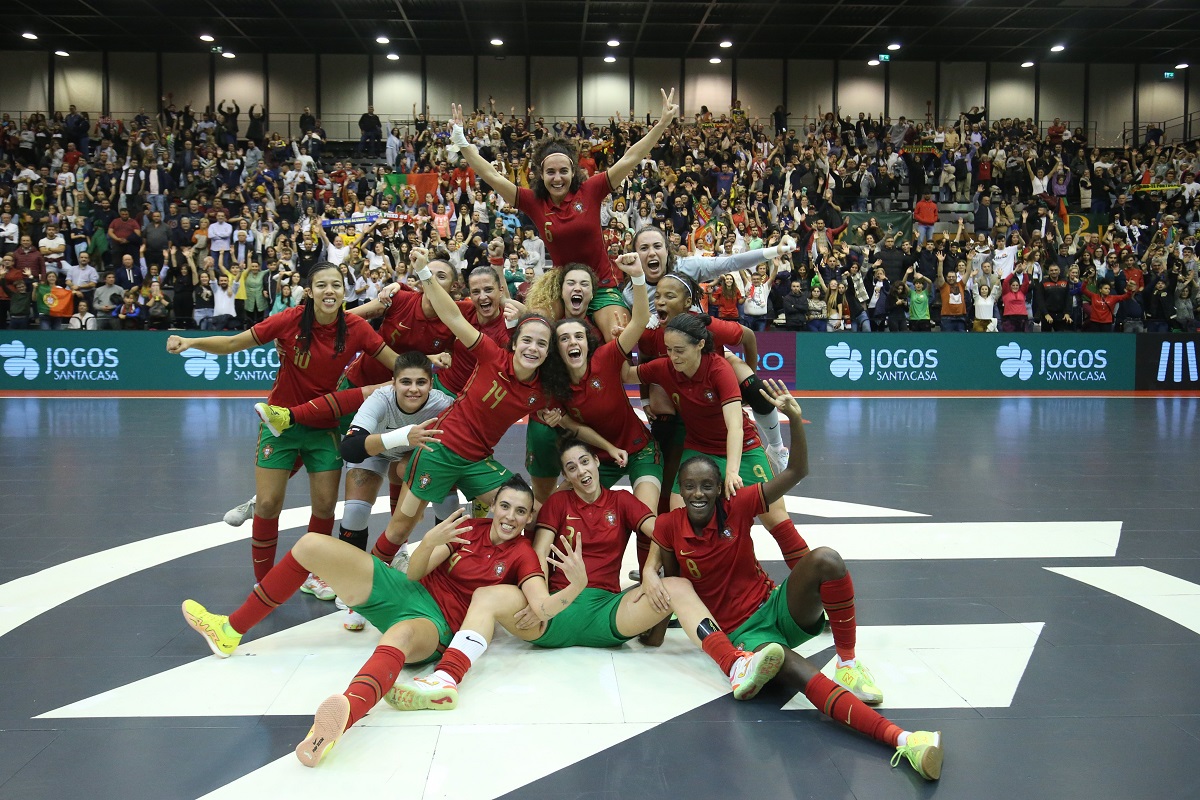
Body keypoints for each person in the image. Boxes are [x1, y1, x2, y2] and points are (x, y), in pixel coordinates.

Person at [643, 380, 944, 781]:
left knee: (826, 560)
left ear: (720, 490)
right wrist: (654, 601)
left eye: (707, 486)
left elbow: (799, 470)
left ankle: (849, 663)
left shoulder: (740, 504)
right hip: (743, 638)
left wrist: (795, 420)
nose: (698, 494)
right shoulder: (667, 526)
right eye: (690, 487)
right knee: (801, 673)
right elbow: (667, 580)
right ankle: (902, 740)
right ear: (679, 491)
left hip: (776, 607)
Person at [181, 478, 586, 768]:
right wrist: (429, 542)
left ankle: (341, 719)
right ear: (492, 506)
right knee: (310, 546)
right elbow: (414, 575)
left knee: (400, 634)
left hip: (438, 624)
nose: (510, 517)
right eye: (504, 506)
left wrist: (578, 584)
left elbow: (542, 606)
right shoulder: (467, 529)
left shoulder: (523, 556)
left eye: (520, 511)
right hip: (407, 591)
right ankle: (229, 631)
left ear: (528, 516)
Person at [366, 254, 609, 568]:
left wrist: (609, 447)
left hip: (478, 461)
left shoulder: (541, 392)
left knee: (528, 510)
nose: (533, 348)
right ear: (515, 342)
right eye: (527, 341)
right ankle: (365, 592)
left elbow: (575, 417)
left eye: (541, 344)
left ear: (548, 352)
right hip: (440, 451)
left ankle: (508, 569)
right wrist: (425, 270)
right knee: (401, 527)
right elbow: (452, 316)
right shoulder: (491, 354)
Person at [167, 263, 401, 588]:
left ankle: (313, 574)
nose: (329, 291)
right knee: (266, 503)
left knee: (324, 506)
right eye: (322, 285)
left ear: (344, 291)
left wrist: (432, 365)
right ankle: (264, 583)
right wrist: (192, 343)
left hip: (324, 425)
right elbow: (234, 343)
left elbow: (396, 364)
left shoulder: (356, 327)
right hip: (280, 422)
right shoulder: (289, 320)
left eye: (336, 285)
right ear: (310, 292)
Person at [447, 89, 679, 343]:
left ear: (573, 171)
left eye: (563, 171)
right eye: (551, 172)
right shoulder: (533, 201)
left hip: (602, 285)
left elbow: (631, 157)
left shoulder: (592, 189)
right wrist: (462, 141)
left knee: (617, 340)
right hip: (560, 287)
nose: (557, 178)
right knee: (535, 332)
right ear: (541, 174)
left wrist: (662, 124)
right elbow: (491, 175)